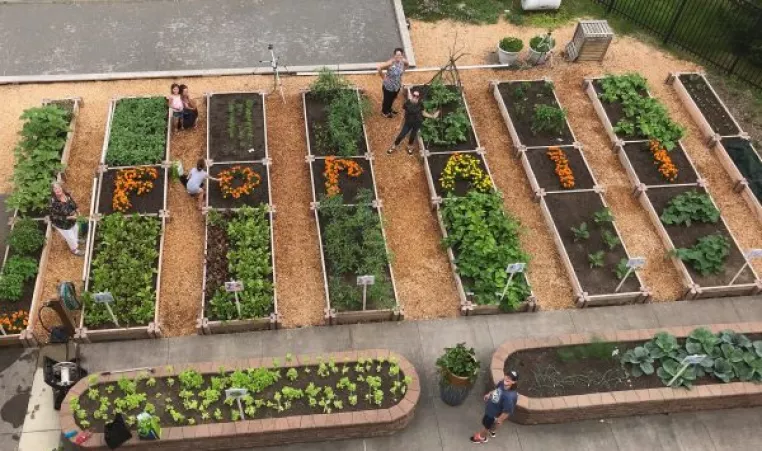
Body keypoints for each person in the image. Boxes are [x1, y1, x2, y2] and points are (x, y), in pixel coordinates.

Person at [471, 370, 519, 444]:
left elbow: (507, 412)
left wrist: (498, 420)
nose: (507, 378)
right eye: (507, 375)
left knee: (486, 426)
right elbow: (497, 390)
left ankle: (482, 437)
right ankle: (492, 431)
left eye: (511, 378)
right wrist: (489, 394)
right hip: (491, 408)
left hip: (493, 414)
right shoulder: (502, 383)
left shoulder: (509, 397)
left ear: (514, 382)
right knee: (492, 425)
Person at [387, 89, 439, 155]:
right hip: (408, 123)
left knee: (412, 136)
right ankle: (393, 146)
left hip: (417, 123)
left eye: (417, 96)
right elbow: (403, 114)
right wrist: (399, 124)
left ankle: (409, 147)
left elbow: (423, 113)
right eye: (414, 95)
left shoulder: (420, 104)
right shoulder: (407, 104)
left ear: (419, 97)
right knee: (401, 135)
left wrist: (432, 116)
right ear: (411, 95)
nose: (415, 97)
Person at [49, 182, 83, 256]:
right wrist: (68, 217)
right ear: (53, 191)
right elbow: (54, 217)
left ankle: (76, 240)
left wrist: (77, 211)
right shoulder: (53, 203)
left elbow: (73, 203)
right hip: (63, 224)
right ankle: (74, 250)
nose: (58, 190)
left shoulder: (66, 194)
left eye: (58, 187)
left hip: (72, 220)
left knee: (76, 229)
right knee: (70, 237)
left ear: (61, 187)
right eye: (55, 189)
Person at [377, 48, 409, 118]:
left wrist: (403, 71)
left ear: (402, 55)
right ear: (394, 55)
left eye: (400, 55)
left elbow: (407, 64)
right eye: (397, 55)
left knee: (393, 98)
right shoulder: (390, 63)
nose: (398, 57)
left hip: (397, 86)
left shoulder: (402, 61)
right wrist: (384, 77)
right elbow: (379, 68)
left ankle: (389, 109)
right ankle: (384, 112)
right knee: (387, 100)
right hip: (389, 87)